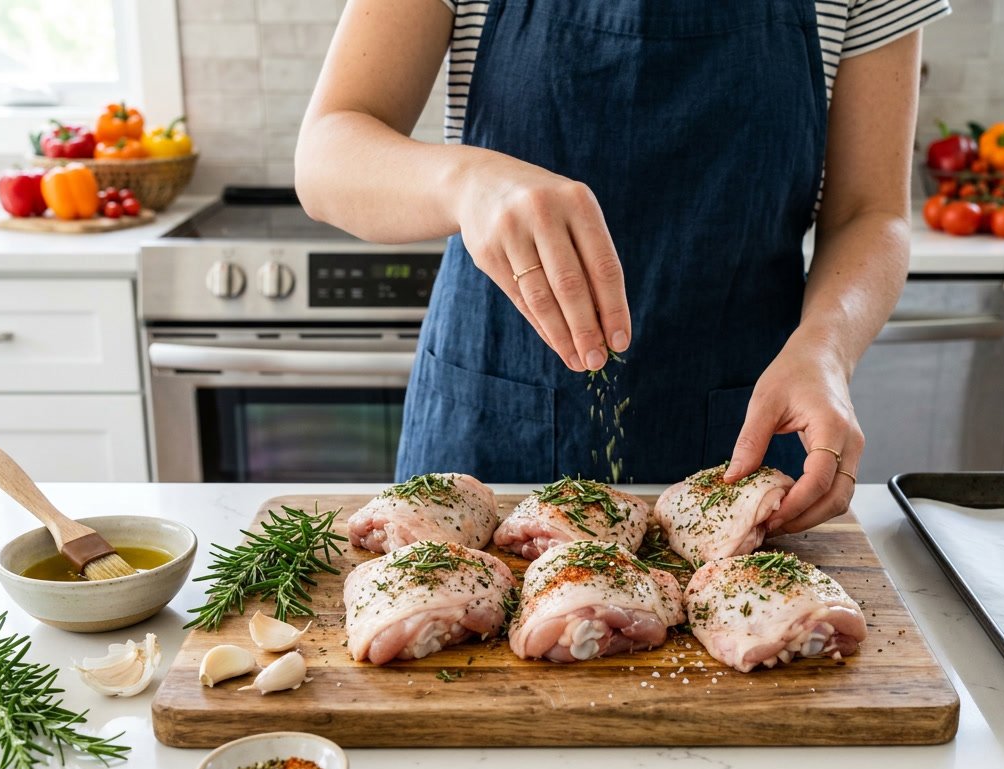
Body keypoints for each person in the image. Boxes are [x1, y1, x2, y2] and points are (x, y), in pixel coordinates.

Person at [296, 0, 950, 533]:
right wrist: (465, 181)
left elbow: (871, 213)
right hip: (491, 419)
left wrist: (828, 349)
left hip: (745, 427)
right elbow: (327, 157)